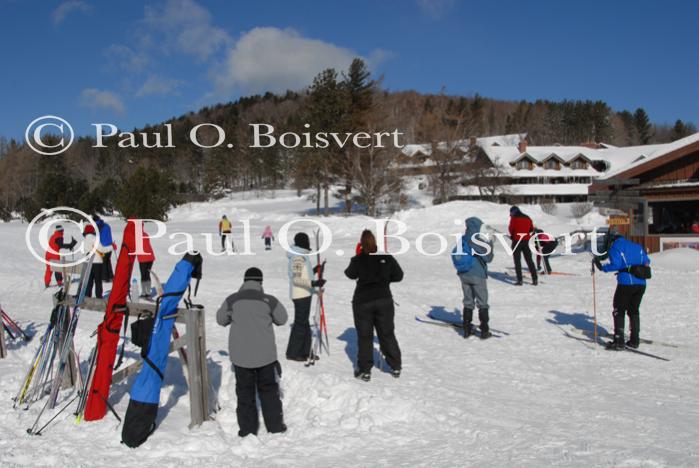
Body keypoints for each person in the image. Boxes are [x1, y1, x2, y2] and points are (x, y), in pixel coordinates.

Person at [216, 267, 288, 437]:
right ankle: (275, 427)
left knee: (245, 394)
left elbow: (220, 320)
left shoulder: (232, 300)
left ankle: (247, 430)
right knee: (269, 392)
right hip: (266, 357)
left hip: (241, 358)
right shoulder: (269, 300)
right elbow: (282, 319)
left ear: (244, 281)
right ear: (260, 282)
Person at [344, 229, 404, 381]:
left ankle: (365, 369)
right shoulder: (385, 257)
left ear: (361, 243)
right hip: (383, 300)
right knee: (387, 333)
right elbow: (398, 275)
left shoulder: (358, 259)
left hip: (363, 302)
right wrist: (385, 279)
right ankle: (395, 365)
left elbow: (350, 274)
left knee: (365, 337)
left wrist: (358, 256)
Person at [593, 232, 651, 350]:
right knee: (633, 310)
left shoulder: (616, 246)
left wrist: (602, 267)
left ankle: (619, 341)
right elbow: (647, 261)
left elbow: (616, 265)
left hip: (626, 283)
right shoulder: (637, 246)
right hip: (641, 283)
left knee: (619, 310)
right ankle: (634, 340)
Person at [452, 217, 494, 339]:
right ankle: (484, 330)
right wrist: (489, 241)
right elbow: (489, 258)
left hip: (463, 274)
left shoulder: (463, 238)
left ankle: (466, 329)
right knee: (482, 302)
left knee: (468, 301)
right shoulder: (477, 240)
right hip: (477, 274)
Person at [285, 232, 325, 362]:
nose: (308, 243)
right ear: (303, 242)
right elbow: (296, 279)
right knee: (300, 324)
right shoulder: (298, 257)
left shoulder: (301, 256)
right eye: (307, 240)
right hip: (300, 295)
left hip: (305, 293)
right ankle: (294, 352)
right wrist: (313, 283)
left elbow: (303, 275)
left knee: (304, 324)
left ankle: (306, 351)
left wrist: (314, 270)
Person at [508, 206, 538, 286]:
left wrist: (513, 235)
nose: (510, 215)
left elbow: (511, 229)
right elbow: (531, 229)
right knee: (529, 260)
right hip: (526, 241)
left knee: (517, 261)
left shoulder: (514, 218)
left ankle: (520, 280)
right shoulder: (528, 218)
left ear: (513, 212)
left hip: (517, 241)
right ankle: (535, 279)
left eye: (510, 213)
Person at [82, 224, 103, 298]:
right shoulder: (95, 239)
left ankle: (87, 295)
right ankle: (99, 296)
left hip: (88, 262)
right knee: (98, 281)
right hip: (97, 262)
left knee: (89, 280)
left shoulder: (84, 240)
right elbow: (101, 249)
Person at [136, 223, 155, 299]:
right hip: (150, 257)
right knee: (147, 275)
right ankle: (148, 293)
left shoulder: (136, 236)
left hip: (144, 258)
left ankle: (144, 293)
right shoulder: (145, 234)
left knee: (143, 275)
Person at [94, 215, 114, 282]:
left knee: (104, 262)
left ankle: (105, 277)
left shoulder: (97, 226)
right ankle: (111, 276)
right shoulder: (107, 225)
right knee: (108, 261)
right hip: (110, 245)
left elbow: (96, 235)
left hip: (103, 247)